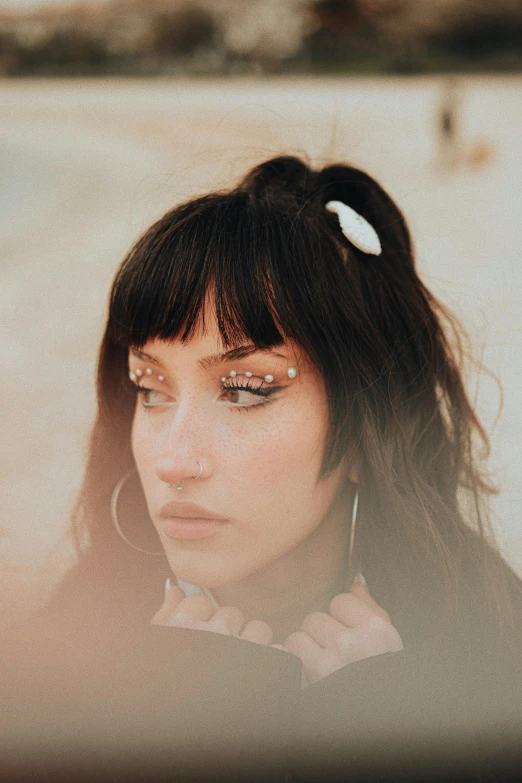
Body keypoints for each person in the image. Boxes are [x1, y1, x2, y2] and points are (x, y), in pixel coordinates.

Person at [2, 155, 521, 783]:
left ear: (365, 426)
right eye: (150, 388)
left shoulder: (492, 660)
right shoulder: (55, 672)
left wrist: (369, 725)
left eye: (245, 389)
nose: (171, 460)